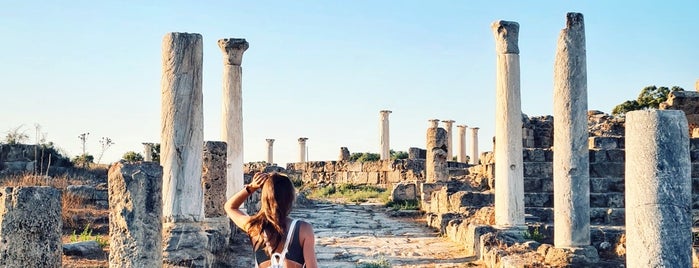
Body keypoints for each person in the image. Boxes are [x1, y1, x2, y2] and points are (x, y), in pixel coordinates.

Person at [225, 172, 318, 268]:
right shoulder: (304, 229)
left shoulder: (254, 227)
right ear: (290, 199)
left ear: (264, 198)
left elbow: (230, 207)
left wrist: (251, 188)